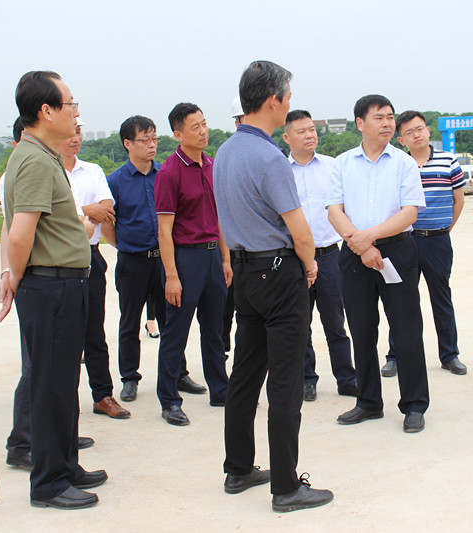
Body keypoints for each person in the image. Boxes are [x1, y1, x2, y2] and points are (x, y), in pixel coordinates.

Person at [214, 60, 333, 513]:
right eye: (287, 97)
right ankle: (286, 486)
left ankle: (238, 468)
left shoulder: (226, 151)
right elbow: (300, 232)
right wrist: (309, 265)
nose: (288, 104)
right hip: (279, 272)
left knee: (245, 375)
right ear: (272, 101)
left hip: (245, 272)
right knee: (285, 381)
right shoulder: (270, 158)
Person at [1, 71, 106, 509]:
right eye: (70, 103)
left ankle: (65, 466)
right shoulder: (33, 160)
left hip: (64, 283)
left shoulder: (42, 155)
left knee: (63, 383)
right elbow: (19, 233)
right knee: (49, 386)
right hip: (50, 286)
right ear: (46, 111)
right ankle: (48, 483)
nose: (76, 113)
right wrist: (14, 278)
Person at [327, 94, 429, 434]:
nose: (387, 123)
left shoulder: (403, 163)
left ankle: (414, 405)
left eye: (390, 117)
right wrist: (360, 245)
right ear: (360, 123)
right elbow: (334, 210)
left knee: (406, 330)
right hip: (354, 255)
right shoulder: (342, 163)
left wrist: (368, 239)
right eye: (379, 117)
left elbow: (409, 212)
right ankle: (368, 402)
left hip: (396, 251)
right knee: (361, 329)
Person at [104, 116, 206, 402]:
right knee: (130, 321)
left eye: (154, 139)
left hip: (165, 260)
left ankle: (178, 373)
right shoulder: (114, 181)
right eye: (144, 140)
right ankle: (129, 377)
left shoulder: (166, 173)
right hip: (133, 262)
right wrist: (125, 246)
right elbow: (108, 225)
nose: (151, 145)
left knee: (171, 320)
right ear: (127, 143)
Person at [154, 103, 230, 424]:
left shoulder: (212, 165)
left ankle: (221, 390)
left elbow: (219, 216)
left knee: (215, 330)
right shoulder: (170, 172)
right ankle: (169, 400)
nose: (203, 131)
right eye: (195, 127)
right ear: (178, 134)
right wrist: (172, 276)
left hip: (213, 256)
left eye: (204, 124)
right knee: (176, 332)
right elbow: (164, 230)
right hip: (185, 259)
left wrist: (226, 258)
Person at [382, 110, 467, 378]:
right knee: (401, 300)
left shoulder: (448, 160)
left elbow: (459, 200)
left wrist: (444, 229)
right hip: (404, 241)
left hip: (438, 241)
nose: (416, 135)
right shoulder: (397, 164)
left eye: (419, 129)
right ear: (401, 140)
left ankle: (450, 355)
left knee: (441, 298)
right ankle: (395, 355)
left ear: (428, 131)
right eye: (409, 132)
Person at [282, 109, 357, 402]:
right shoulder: (280, 170)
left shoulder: (332, 166)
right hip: (294, 258)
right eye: (301, 131)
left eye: (311, 129)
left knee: (336, 322)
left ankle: (346, 378)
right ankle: (307, 380)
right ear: (287, 137)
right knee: (300, 324)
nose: (309, 135)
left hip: (329, 256)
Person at [63, 122, 131, 420]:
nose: (75, 138)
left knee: (94, 331)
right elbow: (54, 215)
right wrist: (86, 211)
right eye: (70, 133)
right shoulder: (49, 171)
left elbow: (107, 208)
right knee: (65, 337)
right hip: (60, 260)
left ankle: (103, 395)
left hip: (91, 257)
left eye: (78, 132)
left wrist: (79, 212)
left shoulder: (92, 170)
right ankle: (65, 407)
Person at [221, 96, 244, 353]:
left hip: (262, 253)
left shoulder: (272, 152)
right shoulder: (226, 154)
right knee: (226, 311)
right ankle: (223, 355)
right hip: (233, 250)